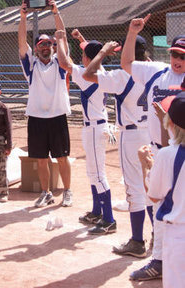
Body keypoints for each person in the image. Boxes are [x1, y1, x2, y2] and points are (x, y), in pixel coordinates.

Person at [121, 15, 185, 281]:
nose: (178, 60)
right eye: (175, 54)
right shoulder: (156, 70)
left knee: (168, 209)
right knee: (159, 206)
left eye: (183, 56)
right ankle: (159, 259)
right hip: (160, 150)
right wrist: (132, 33)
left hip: (179, 151)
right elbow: (126, 63)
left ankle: (162, 260)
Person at [83, 36, 153, 255]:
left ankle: (137, 241)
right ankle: (158, 239)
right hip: (153, 134)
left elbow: (88, 74)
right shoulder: (155, 70)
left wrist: (102, 52)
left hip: (131, 136)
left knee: (135, 190)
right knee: (152, 188)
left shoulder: (122, 76)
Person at [56, 29, 116, 234]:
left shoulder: (86, 75)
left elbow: (64, 63)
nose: (81, 57)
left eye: (84, 54)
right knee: (93, 173)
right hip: (96, 126)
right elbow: (92, 55)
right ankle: (97, 211)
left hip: (94, 129)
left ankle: (109, 219)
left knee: (98, 175)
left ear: (88, 58)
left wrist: (60, 40)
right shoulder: (102, 73)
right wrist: (81, 40)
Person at [18, 0, 72, 208]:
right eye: (42, 44)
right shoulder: (30, 66)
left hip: (57, 116)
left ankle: (67, 191)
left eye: (50, 44)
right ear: (37, 48)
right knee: (41, 159)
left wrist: (56, 12)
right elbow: (22, 42)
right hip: (37, 118)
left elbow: (63, 37)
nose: (47, 47)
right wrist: (23, 17)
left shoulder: (60, 62)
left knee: (62, 157)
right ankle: (46, 192)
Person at [138, 91, 185, 287]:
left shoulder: (167, 155)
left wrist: (146, 166)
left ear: (171, 124)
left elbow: (154, 196)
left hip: (177, 236)